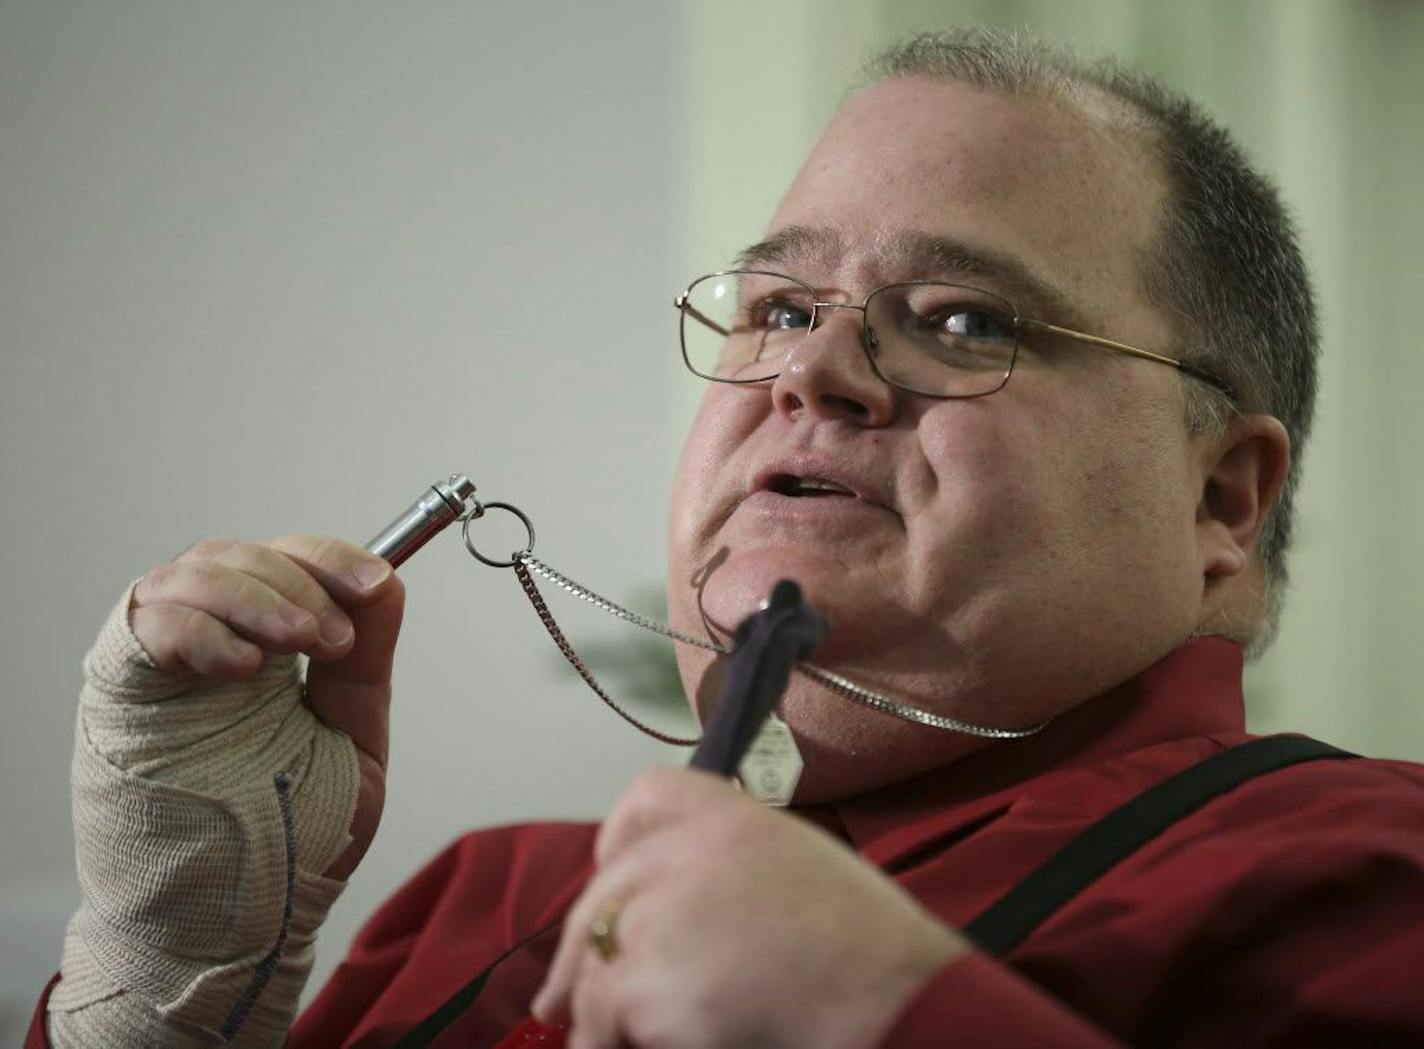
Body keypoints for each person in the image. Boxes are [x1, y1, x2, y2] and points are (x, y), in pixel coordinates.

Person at [29, 28, 1424, 1049]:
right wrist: (167, 973)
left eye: (965, 318)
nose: (812, 372)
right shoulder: (488, 897)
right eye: (775, 307)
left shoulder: (1365, 871)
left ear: (1221, 498)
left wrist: (885, 1017)